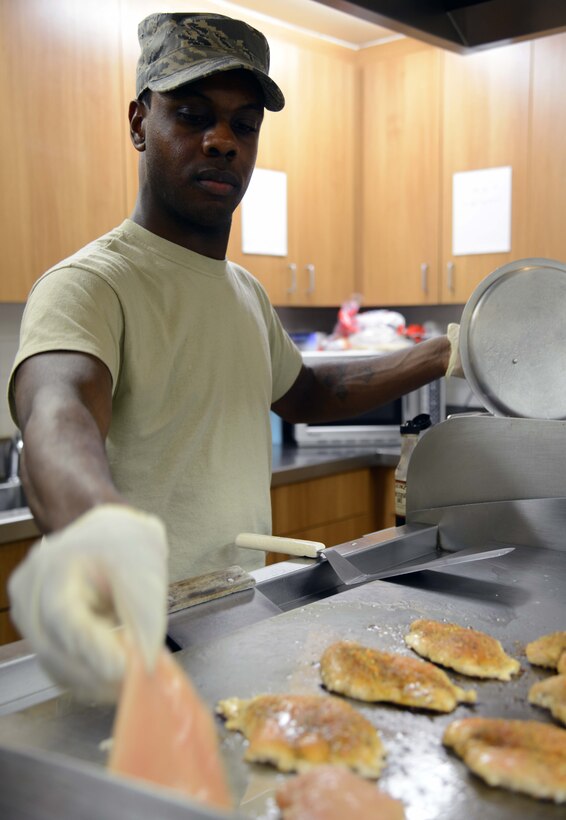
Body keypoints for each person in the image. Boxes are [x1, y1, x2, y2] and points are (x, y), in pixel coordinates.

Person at [7, 12, 462, 703]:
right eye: (192, 116)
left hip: (237, 625)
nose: (221, 141)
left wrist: (448, 352)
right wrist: (97, 534)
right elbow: (56, 412)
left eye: (243, 125)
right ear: (138, 123)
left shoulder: (244, 292)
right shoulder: (92, 285)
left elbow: (306, 393)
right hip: (128, 645)